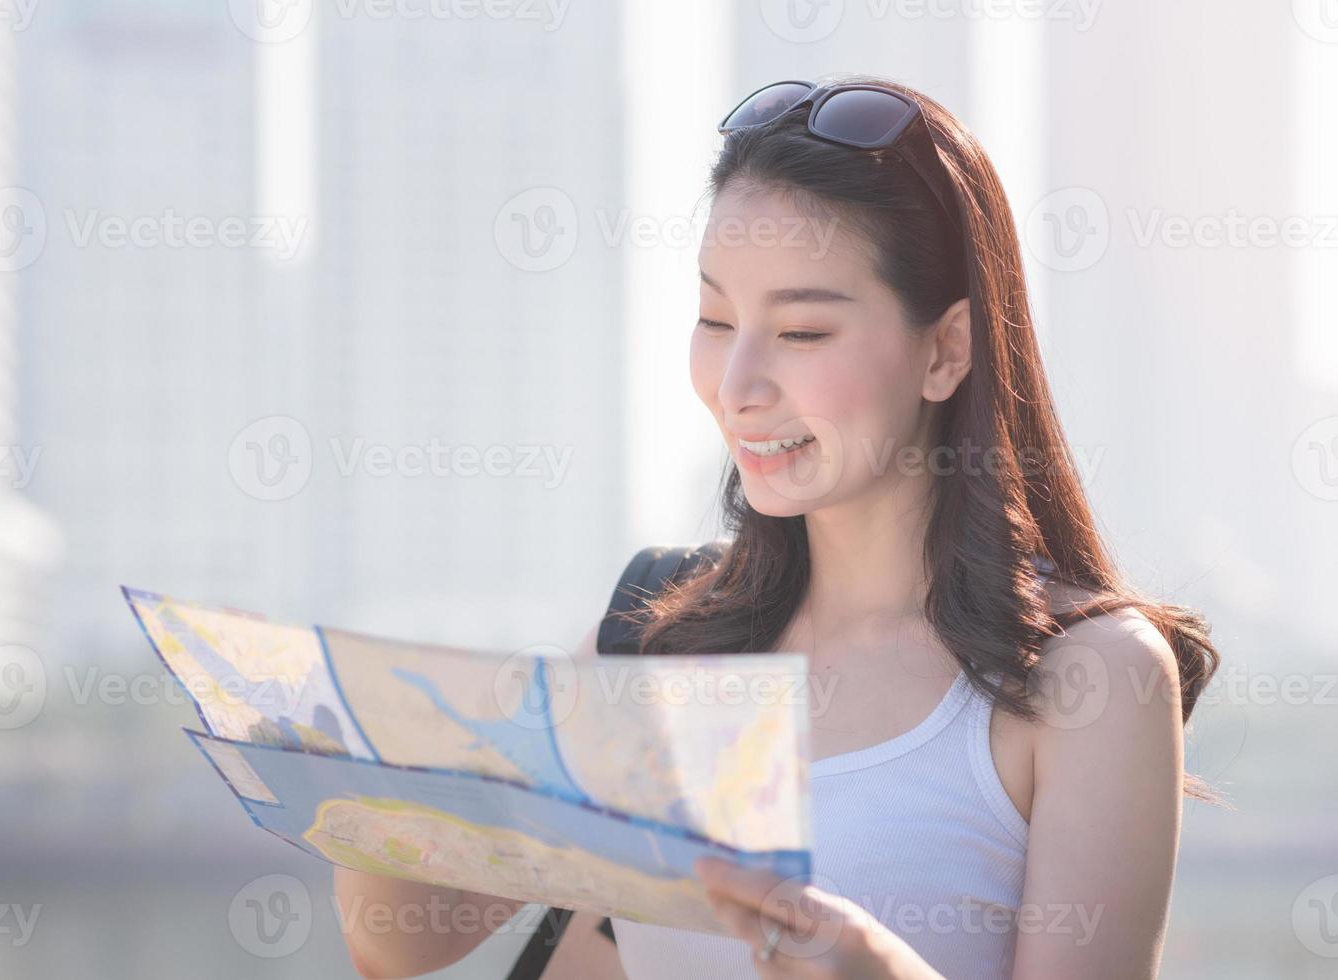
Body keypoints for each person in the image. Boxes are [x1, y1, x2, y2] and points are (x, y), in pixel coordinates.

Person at [337, 72, 1225, 979]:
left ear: (946, 349)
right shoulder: (655, 642)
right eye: (716, 318)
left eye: (802, 332)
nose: (738, 384)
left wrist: (874, 970)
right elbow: (399, 942)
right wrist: (378, 777)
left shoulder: (1088, 677)